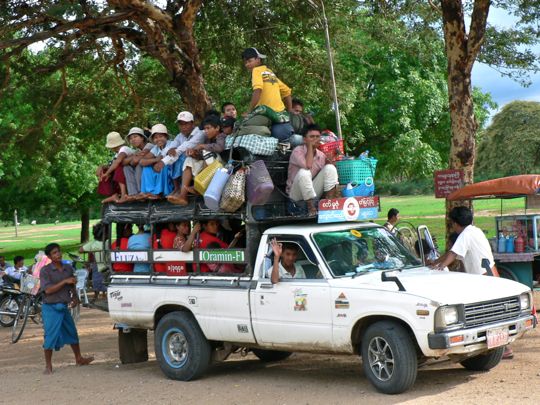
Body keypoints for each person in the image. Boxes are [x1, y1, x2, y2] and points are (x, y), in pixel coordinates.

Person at [40, 243, 94, 374]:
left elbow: (72, 286)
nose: (58, 254)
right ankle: (48, 366)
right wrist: (64, 281)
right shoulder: (45, 271)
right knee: (50, 336)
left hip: (63, 306)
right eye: (54, 253)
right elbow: (47, 290)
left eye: (58, 252)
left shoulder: (68, 268)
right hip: (50, 307)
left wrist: (75, 297)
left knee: (72, 332)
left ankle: (79, 358)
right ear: (49, 256)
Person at [168, 115, 226, 206]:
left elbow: (219, 148)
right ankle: (183, 196)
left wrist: (202, 146)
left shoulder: (221, 136)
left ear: (217, 128)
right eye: (205, 129)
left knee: (208, 154)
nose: (206, 131)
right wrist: (194, 154)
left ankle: (198, 186)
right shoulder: (207, 139)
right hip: (209, 165)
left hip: (221, 167)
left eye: (208, 128)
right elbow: (202, 157)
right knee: (189, 160)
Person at [242, 47, 294, 141]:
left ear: (258, 60)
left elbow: (258, 90)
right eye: (245, 62)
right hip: (280, 113)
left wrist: (249, 112)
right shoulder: (269, 73)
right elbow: (287, 91)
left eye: (250, 61)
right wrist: (290, 111)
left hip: (265, 113)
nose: (247, 64)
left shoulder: (256, 71)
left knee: (242, 125)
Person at [286, 124, 339, 215]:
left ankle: (329, 205)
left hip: (311, 192)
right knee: (304, 172)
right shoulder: (297, 151)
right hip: (295, 195)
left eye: (317, 137)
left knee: (330, 168)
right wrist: (310, 146)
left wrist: (331, 161)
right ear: (304, 139)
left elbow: (327, 176)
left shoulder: (321, 155)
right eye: (311, 137)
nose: (315, 139)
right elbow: (308, 165)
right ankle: (311, 208)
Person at [166, 111, 206, 196]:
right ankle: (176, 188)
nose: (183, 127)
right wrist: (171, 149)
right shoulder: (180, 135)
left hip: (198, 159)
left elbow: (187, 146)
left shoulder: (200, 133)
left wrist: (174, 151)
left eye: (186, 124)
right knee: (171, 158)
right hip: (188, 158)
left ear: (192, 123)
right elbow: (172, 145)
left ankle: (181, 190)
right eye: (181, 124)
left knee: (180, 157)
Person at [139, 124, 175, 199]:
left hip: (171, 171)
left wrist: (159, 161)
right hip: (159, 169)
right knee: (147, 168)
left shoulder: (171, 144)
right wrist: (156, 159)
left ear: (166, 137)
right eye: (155, 137)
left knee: (162, 165)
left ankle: (159, 192)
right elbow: (142, 161)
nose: (158, 139)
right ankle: (150, 192)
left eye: (161, 136)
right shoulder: (156, 148)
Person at [98, 131, 134, 204]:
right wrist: (101, 167)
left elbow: (118, 161)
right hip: (122, 175)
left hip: (130, 172)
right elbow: (111, 165)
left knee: (118, 167)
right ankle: (114, 195)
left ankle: (124, 195)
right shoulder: (117, 153)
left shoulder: (124, 149)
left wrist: (107, 173)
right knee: (104, 171)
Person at [79, 222, 107, 302]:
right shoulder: (107, 243)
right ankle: (105, 294)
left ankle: (96, 295)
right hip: (107, 265)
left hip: (97, 266)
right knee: (105, 280)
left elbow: (80, 250)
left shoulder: (93, 244)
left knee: (96, 280)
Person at [123, 127, 153, 198]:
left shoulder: (149, 146)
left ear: (142, 138)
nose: (133, 140)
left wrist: (133, 158)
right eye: (130, 138)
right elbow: (124, 162)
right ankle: (133, 193)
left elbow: (135, 161)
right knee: (126, 167)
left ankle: (141, 192)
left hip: (153, 170)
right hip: (144, 169)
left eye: (135, 137)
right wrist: (134, 156)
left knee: (139, 165)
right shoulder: (137, 151)